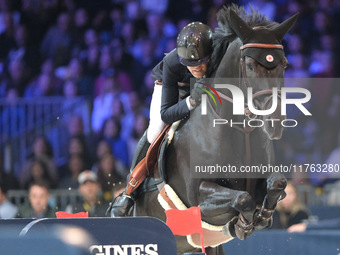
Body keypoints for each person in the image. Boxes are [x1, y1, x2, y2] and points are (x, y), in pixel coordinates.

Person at [110, 21, 227, 217]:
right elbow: (167, 113)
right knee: (156, 129)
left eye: (200, 62)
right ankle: (130, 190)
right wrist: (191, 101)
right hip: (174, 89)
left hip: (206, 89)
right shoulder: (174, 62)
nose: (196, 68)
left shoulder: (220, 53)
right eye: (191, 64)